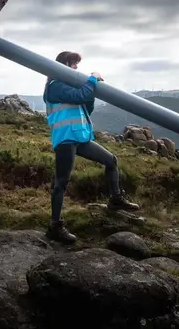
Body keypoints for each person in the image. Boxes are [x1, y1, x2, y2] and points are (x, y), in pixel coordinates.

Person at [43, 51, 140, 244]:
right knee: (61, 182)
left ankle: (115, 199)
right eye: (73, 64)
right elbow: (80, 95)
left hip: (80, 137)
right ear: (63, 65)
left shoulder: (68, 85)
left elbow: (86, 107)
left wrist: (90, 95)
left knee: (111, 161)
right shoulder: (54, 86)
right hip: (65, 139)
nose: (76, 68)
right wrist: (93, 79)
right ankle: (55, 226)